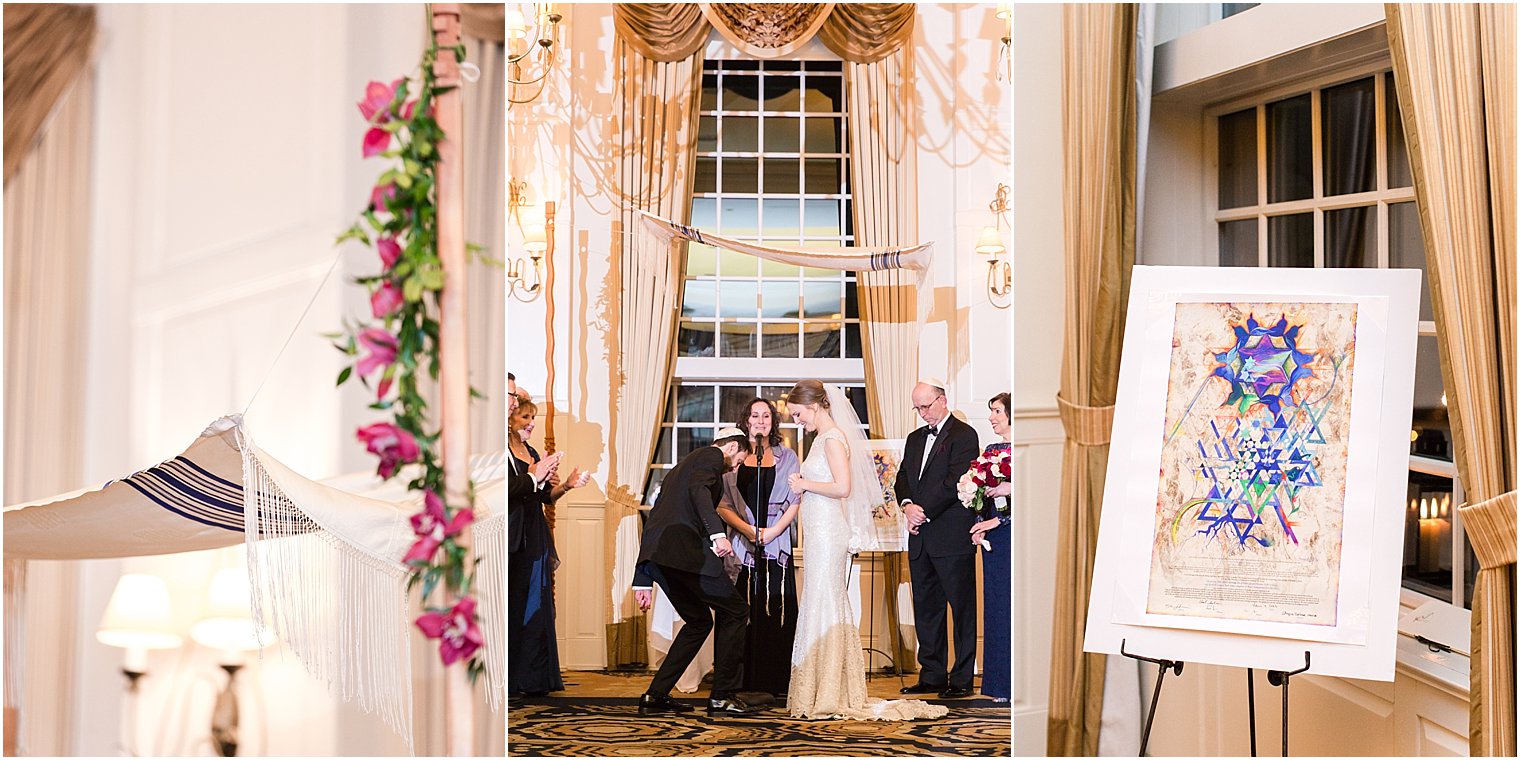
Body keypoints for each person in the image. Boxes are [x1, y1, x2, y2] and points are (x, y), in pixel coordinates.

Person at [783, 379, 947, 721]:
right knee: (820, 600)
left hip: (829, 533)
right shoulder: (821, 439)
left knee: (825, 601)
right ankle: (822, 686)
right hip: (818, 530)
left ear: (814, 406)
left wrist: (803, 484)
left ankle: (829, 689)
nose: (797, 421)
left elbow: (844, 487)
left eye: (798, 413)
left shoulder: (831, 439)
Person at [631, 428, 761, 717]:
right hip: (686, 556)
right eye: (739, 460)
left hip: (663, 559)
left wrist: (642, 578)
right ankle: (722, 696)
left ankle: (655, 695)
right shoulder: (710, 456)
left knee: (699, 622)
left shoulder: (682, 466)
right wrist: (717, 535)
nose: (735, 467)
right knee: (737, 611)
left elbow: (657, 516)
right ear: (730, 447)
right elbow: (700, 491)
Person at [895, 379, 981, 699]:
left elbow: (954, 482)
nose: (922, 414)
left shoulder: (964, 435)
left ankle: (960, 678)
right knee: (927, 609)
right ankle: (931, 675)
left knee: (961, 610)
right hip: (919, 537)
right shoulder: (915, 438)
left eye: (926, 406)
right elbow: (903, 478)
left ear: (942, 400)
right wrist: (907, 506)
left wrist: (923, 510)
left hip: (951, 535)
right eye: (917, 408)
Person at [715, 398, 800, 698]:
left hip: (776, 544)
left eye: (766, 415)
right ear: (746, 421)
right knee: (740, 613)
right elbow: (722, 504)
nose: (761, 421)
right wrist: (748, 530)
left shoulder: (787, 456)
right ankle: (738, 682)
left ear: (773, 422)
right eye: (755, 415)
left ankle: (774, 682)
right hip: (741, 544)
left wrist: (774, 531)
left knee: (775, 609)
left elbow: (795, 499)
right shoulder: (733, 457)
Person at [969, 392, 1012, 703]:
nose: (992, 417)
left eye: (997, 411)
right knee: (996, 607)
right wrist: (979, 522)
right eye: (992, 411)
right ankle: (999, 685)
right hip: (993, 540)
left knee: (1014, 607)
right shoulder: (991, 450)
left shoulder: (1024, 449)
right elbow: (983, 493)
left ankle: (1017, 683)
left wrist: (998, 522)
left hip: (1014, 536)